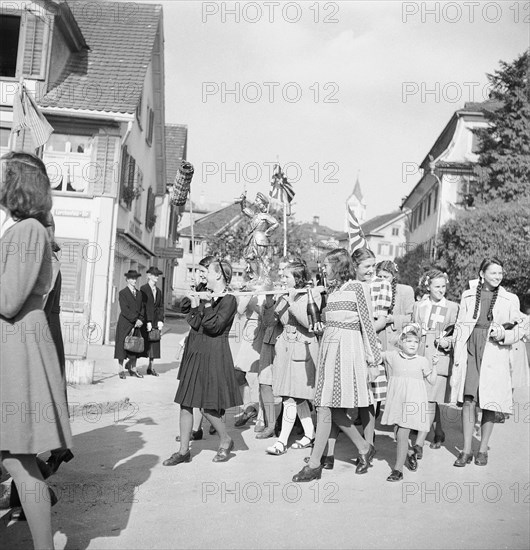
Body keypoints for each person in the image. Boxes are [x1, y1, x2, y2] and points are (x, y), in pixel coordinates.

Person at [0, 151, 72, 549]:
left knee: (18, 459)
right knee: (15, 459)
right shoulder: (27, 229)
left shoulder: (28, 230)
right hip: (14, 348)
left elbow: (9, 300)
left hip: (16, 350)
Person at [293, 249, 380, 482]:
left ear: (339, 266)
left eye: (327, 265)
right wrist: (320, 326)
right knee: (327, 407)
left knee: (327, 407)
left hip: (348, 352)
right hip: (329, 351)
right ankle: (363, 447)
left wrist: (373, 360)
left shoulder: (357, 288)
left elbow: (367, 325)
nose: (324, 269)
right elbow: (329, 321)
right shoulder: (332, 291)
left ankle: (314, 465)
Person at [164, 260, 242, 465]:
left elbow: (214, 327)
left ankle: (226, 440)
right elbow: (191, 316)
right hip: (195, 350)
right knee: (186, 402)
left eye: (206, 272)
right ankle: (183, 452)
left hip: (214, 352)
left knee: (208, 407)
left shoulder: (229, 300)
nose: (203, 275)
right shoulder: (203, 291)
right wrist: (194, 298)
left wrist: (205, 304)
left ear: (218, 275)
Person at [450, 257, 521, 467]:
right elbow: (460, 324)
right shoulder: (468, 295)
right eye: (493, 273)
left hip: (494, 351)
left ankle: (482, 449)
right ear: (482, 274)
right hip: (471, 349)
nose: (498, 277)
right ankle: (466, 450)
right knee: (468, 399)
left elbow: (520, 328)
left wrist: (504, 336)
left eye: (500, 273)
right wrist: (454, 344)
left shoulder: (510, 299)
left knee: (490, 401)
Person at [266, 260, 319, 455]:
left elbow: (309, 323)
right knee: (297, 398)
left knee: (290, 397)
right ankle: (309, 435)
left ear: (297, 278)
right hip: (285, 350)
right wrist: (271, 301)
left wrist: (292, 300)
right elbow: (272, 320)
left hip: (302, 351)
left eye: (286, 276)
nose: (283, 279)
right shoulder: (285, 295)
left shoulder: (312, 295)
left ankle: (281, 442)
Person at [381, 324, 437, 481]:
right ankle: (410, 452)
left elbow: (432, 381)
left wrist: (435, 365)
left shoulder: (422, 360)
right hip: (397, 401)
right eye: (408, 341)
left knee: (402, 433)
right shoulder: (393, 356)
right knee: (398, 432)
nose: (413, 344)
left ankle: (398, 470)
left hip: (412, 402)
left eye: (416, 342)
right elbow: (377, 353)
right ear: (401, 343)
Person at [412, 270, 459, 457]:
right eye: (437, 286)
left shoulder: (453, 307)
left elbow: (457, 333)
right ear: (428, 286)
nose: (441, 290)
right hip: (421, 355)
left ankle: (418, 444)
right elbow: (412, 327)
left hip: (439, 356)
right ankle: (438, 431)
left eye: (443, 286)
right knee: (428, 398)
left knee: (431, 398)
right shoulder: (419, 306)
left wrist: (449, 342)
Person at [239, 192, 279, 281]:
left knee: (260, 259)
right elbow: (245, 209)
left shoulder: (266, 216)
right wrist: (243, 201)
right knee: (250, 258)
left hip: (260, 240)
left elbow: (276, 223)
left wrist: (267, 232)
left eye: (258, 201)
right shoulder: (254, 215)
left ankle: (262, 278)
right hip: (251, 239)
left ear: (263, 203)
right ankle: (255, 277)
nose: (256, 202)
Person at [114, 269, 145, 378]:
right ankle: (120, 369)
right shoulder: (123, 293)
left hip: (137, 324)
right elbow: (124, 310)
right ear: (127, 279)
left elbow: (142, 308)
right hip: (125, 323)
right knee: (122, 346)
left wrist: (141, 319)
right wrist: (135, 319)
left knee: (135, 346)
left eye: (135, 278)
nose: (134, 280)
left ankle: (133, 369)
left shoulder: (139, 293)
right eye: (132, 278)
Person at [141, 266, 165, 376]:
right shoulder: (144, 289)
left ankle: (151, 367)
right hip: (146, 320)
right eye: (154, 275)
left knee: (154, 344)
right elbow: (143, 306)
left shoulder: (159, 291)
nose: (157, 277)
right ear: (149, 276)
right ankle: (131, 365)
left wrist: (160, 320)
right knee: (142, 344)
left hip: (155, 321)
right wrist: (147, 321)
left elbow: (160, 306)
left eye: (157, 275)